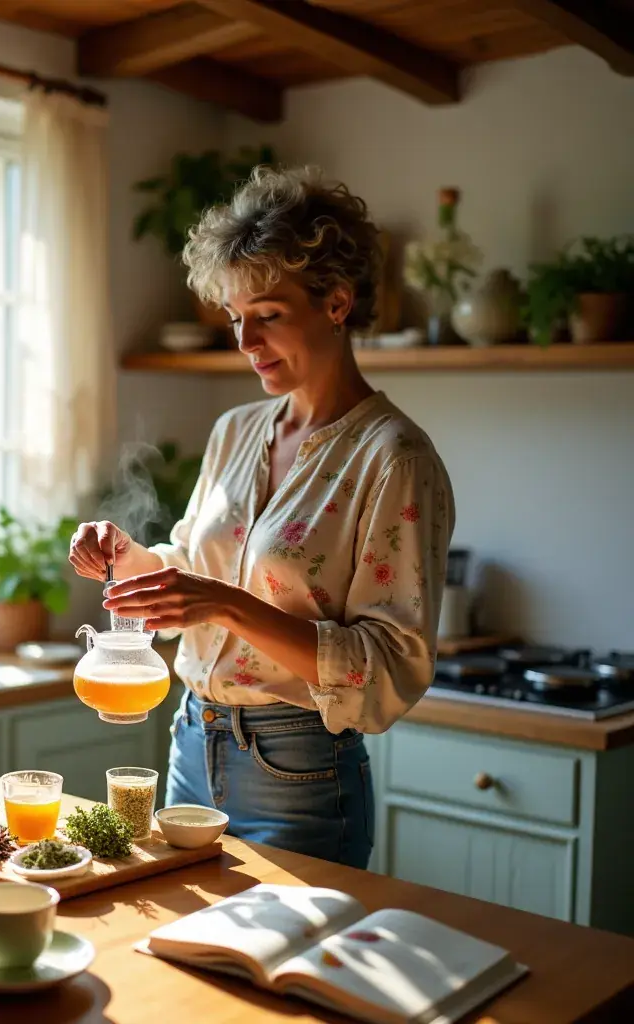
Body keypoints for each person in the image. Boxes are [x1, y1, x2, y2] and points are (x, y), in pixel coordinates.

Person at [70, 166, 455, 869]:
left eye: (269, 314)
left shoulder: (394, 457)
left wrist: (227, 605)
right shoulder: (236, 431)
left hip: (300, 771)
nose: (246, 340)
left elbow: (389, 668)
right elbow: (194, 571)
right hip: (192, 744)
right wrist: (130, 559)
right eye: (234, 317)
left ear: (336, 302)